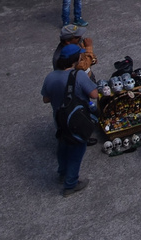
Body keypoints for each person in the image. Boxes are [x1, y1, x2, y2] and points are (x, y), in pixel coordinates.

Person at [41, 42, 98, 197]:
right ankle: (71, 185)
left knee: (63, 145)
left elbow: (46, 99)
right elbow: (94, 95)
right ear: (76, 59)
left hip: (59, 118)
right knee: (76, 150)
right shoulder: (78, 75)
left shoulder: (50, 76)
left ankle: (62, 174)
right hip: (76, 120)